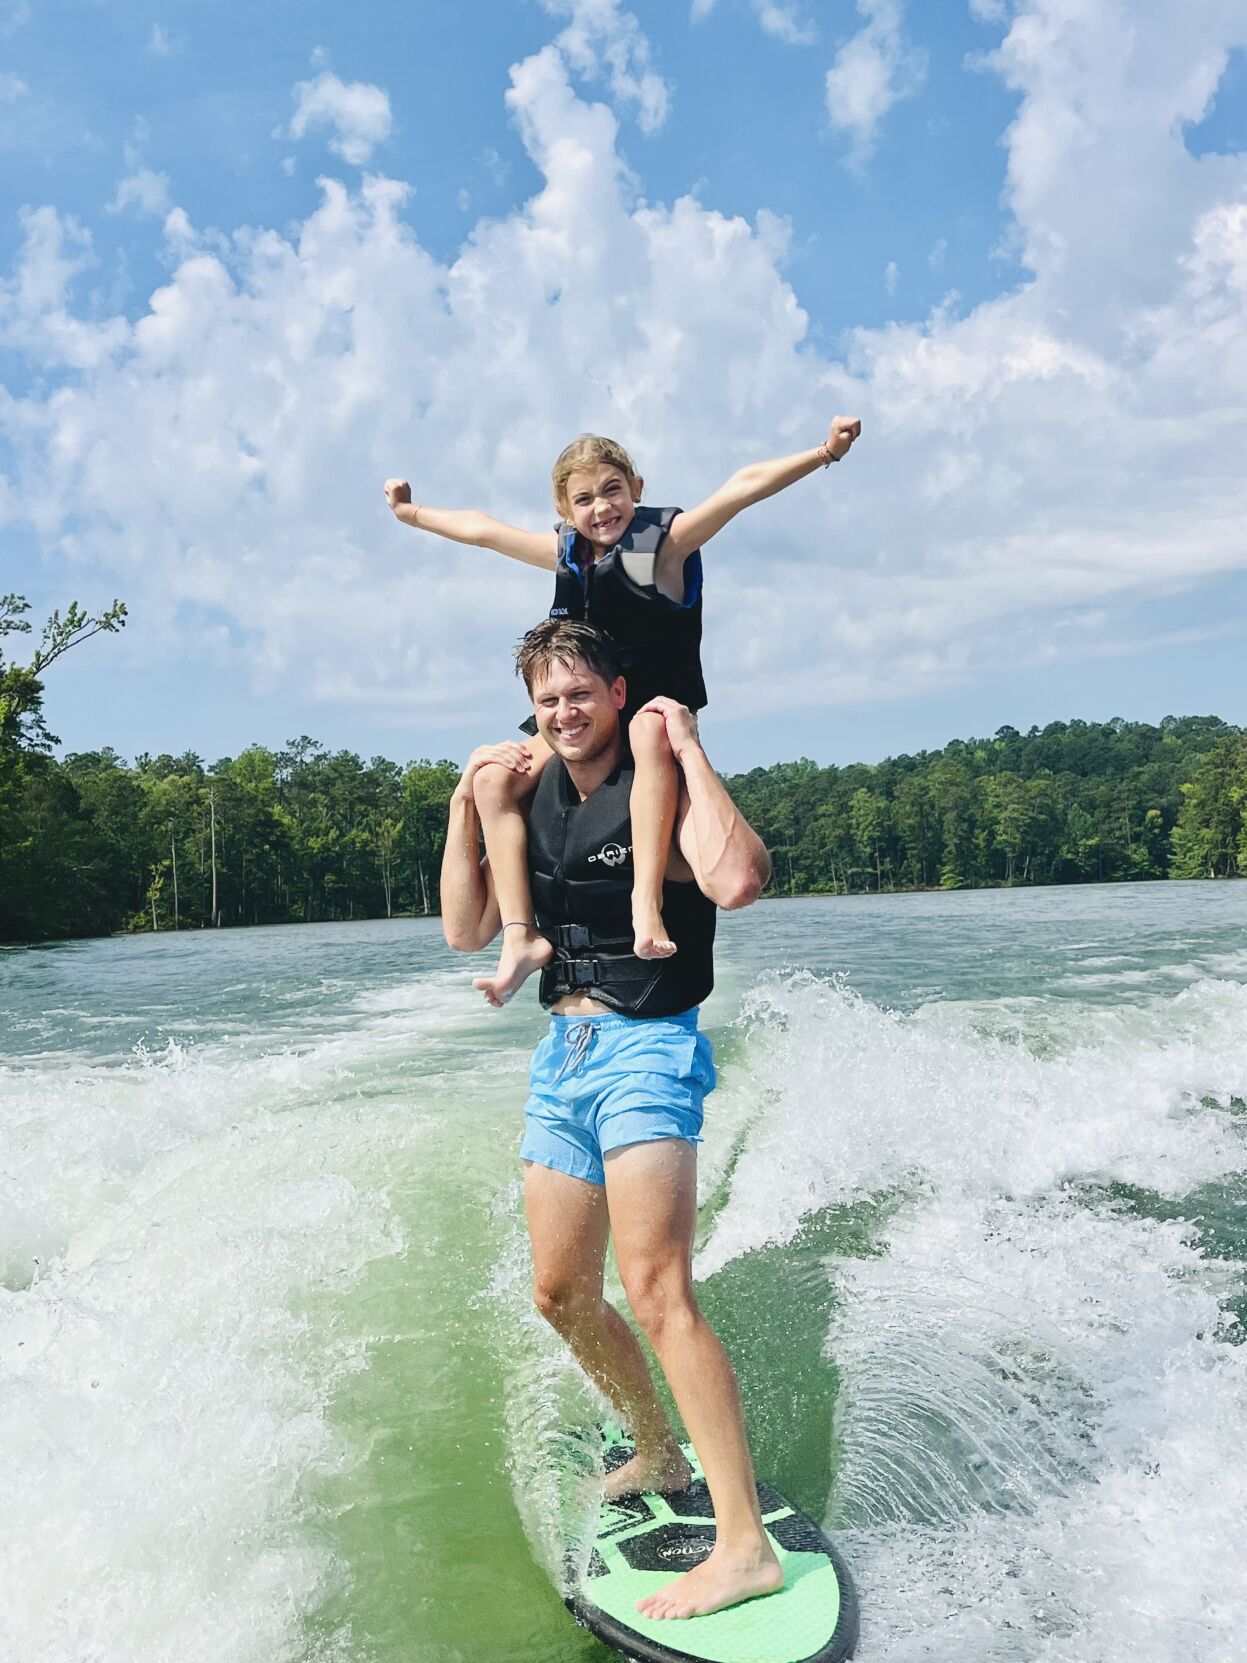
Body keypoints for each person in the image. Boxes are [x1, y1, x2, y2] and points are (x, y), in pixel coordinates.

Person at [439, 617, 781, 1623]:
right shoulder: (529, 799)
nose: (564, 712)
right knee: (560, 1293)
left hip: (648, 1046)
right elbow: (463, 928)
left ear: (617, 694)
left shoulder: (654, 787)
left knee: (657, 1288)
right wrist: (463, 801)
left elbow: (737, 880)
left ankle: (744, 1546)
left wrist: (690, 749)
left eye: (580, 693)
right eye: (547, 699)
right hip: (563, 1055)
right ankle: (658, 1449)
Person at [386, 416, 860, 1007]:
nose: (602, 507)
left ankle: (645, 901)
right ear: (565, 509)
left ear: (636, 487)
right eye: (584, 498)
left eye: (613, 489)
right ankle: (520, 936)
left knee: (646, 730)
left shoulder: (664, 546)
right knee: (493, 779)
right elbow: (484, 530)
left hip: (654, 712)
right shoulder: (567, 554)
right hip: (589, 712)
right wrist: (411, 513)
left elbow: (740, 490)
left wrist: (824, 452)